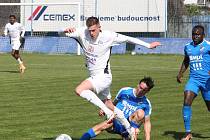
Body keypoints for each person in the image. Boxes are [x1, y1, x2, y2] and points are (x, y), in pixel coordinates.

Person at [64, 16, 160, 137]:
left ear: (99, 27)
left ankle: (107, 113)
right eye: (90, 30)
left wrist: (148, 45)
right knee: (110, 105)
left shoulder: (109, 36)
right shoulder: (83, 32)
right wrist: (65, 30)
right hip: (96, 77)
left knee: (79, 90)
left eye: (94, 30)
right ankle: (129, 128)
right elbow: (62, 32)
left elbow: (128, 39)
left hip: (103, 77)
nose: (91, 33)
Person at [80, 77, 154, 140]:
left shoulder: (146, 103)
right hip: (116, 121)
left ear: (148, 91)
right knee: (103, 125)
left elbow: (147, 123)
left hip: (129, 126)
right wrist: (104, 109)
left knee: (141, 113)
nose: (140, 90)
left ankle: (129, 133)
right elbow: (113, 103)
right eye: (140, 87)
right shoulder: (125, 91)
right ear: (138, 84)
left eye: (144, 90)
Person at [177, 25, 210, 140]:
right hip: (194, 80)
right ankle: (188, 133)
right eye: (193, 34)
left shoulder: (208, 45)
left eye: (198, 34)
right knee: (187, 100)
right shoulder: (188, 47)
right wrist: (180, 73)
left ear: (203, 35)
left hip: (207, 81)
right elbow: (186, 60)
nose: (195, 36)